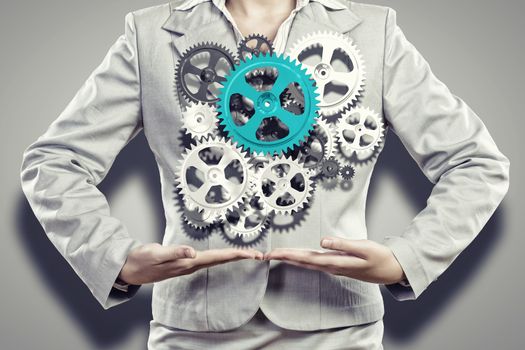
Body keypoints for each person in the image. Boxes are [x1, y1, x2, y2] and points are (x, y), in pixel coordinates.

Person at [19, 0, 510, 349]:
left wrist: (406, 259)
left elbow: (476, 164)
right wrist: (115, 260)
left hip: (339, 333)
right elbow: (54, 163)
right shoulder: (149, 34)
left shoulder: (373, 31)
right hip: (193, 333)